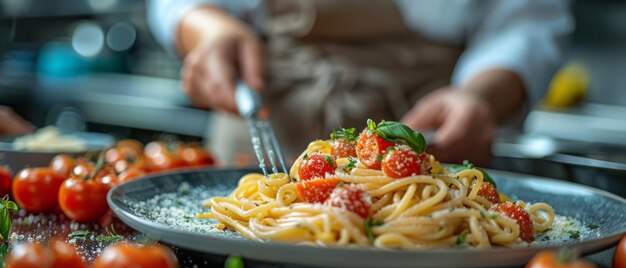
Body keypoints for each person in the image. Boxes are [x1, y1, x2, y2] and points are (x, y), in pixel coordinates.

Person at [147, 0, 573, 166]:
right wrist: (206, 30)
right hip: (256, 136)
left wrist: (478, 97)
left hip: (430, 147)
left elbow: (527, 22)